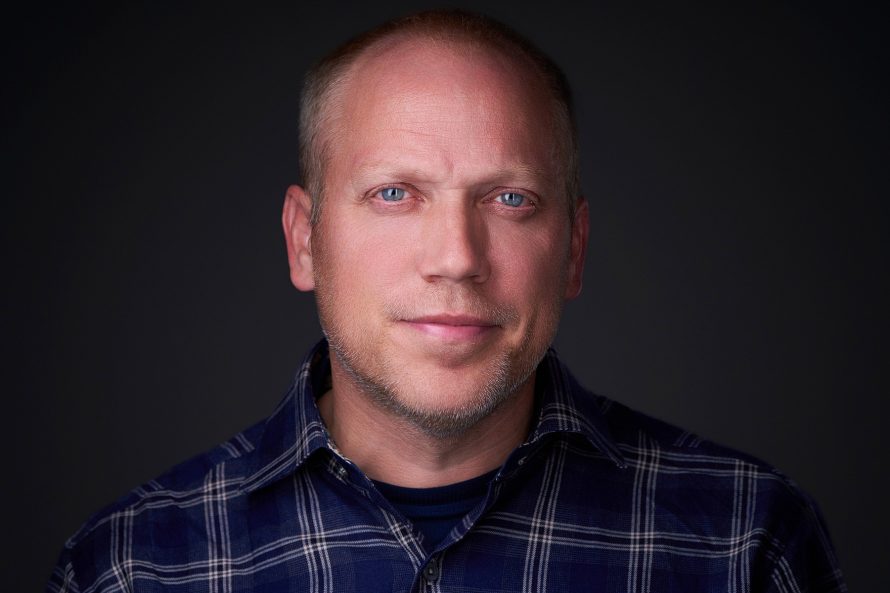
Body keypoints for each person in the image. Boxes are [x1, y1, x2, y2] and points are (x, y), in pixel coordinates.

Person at [46, 10, 846, 593]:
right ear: (303, 240)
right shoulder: (135, 565)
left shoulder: (747, 541)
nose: (458, 258)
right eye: (395, 193)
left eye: (510, 199)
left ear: (573, 249)